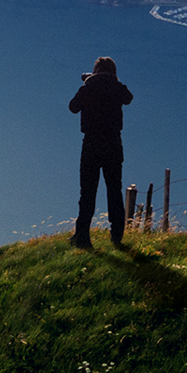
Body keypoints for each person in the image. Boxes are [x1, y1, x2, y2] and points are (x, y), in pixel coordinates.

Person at [69, 55, 133, 247]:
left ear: (95, 71)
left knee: (87, 191)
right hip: (113, 144)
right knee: (114, 189)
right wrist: (112, 82)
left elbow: (73, 107)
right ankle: (116, 236)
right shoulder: (117, 88)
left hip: (91, 144)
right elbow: (128, 98)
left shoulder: (88, 87)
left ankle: (82, 236)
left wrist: (89, 82)